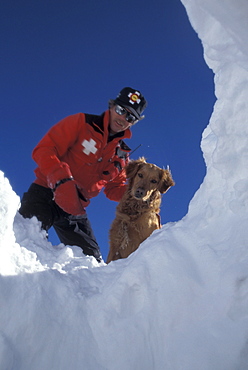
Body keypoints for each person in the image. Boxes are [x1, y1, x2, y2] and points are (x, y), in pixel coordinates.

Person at [19, 87, 147, 262]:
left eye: (130, 117)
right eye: (121, 110)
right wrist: (61, 180)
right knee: (23, 239)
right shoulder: (82, 123)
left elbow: (113, 189)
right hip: (45, 193)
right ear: (112, 106)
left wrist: (137, 195)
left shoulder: (122, 155)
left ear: (133, 122)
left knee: (91, 266)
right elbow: (44, 149)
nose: (123, 118)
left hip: (75, 208)